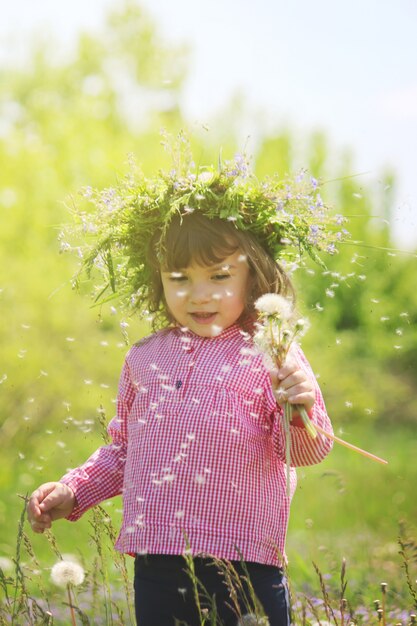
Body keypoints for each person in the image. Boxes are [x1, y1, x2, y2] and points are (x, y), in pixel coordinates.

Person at [27, 159, 335, 626]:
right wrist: (75, 490)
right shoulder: (144, 358)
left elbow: (308, 451)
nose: (199, 295)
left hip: (245, 559)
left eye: (218, 277)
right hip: (158, 559)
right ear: (159, 280)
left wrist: (300, 408)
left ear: (252, 276)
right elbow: (125, 451)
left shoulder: (272, 351)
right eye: (180, 278)